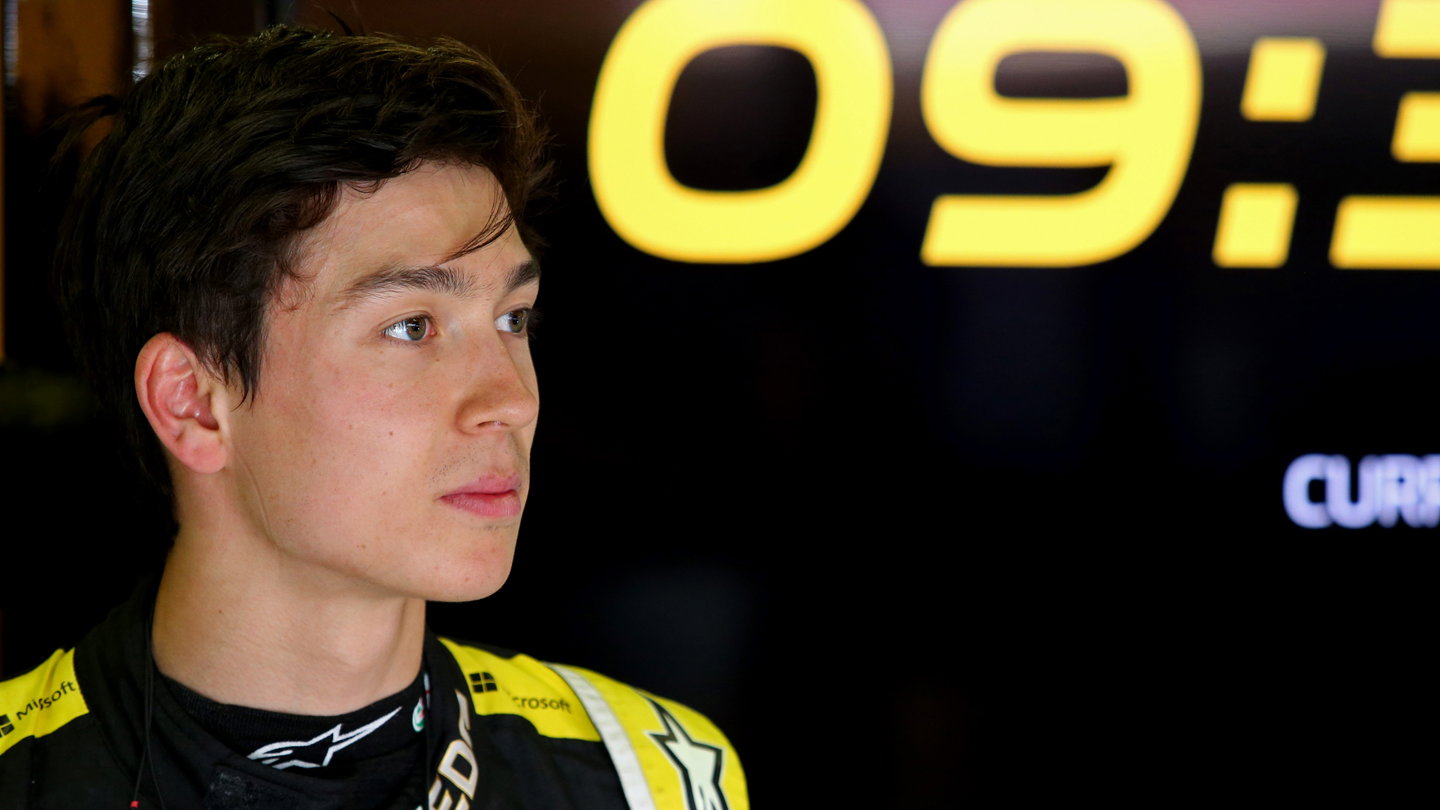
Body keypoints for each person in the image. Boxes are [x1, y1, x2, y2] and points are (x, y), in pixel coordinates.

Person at [0, 25, 746, 810]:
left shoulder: (652, 775)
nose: (511, 400)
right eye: (412, 327)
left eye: (513, 319)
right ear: (192, 401)